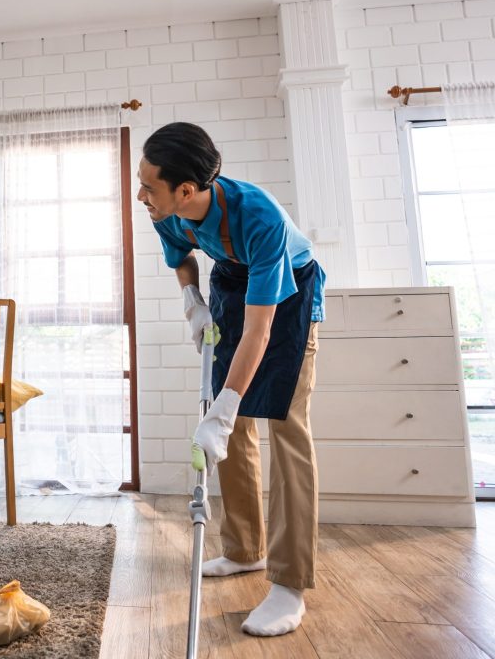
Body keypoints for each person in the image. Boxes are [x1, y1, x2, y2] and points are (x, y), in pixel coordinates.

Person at [137, 122, 324, 637]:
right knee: (232, 430)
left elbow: (261, 329)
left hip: (287, 292)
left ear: (187, 190)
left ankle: (290, 585)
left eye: (149, 185)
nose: (140, 194)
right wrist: (191, 300)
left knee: (286, 430)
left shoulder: (256, 214)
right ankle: (244, 549)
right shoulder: (165, 210)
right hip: (231, 280)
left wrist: (225, 405)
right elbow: (182, 258)